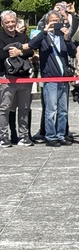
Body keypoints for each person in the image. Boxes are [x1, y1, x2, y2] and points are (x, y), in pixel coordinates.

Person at [29, 10, 77, 147]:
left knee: (63, 110)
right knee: (51, 110)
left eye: (57, 20)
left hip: (63, 78)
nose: (55, 23)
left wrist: (67, 38)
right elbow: (32, 45)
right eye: (52, 20)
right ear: (46, 21)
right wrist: (45, 31)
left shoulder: (63, 36)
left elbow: (73, 53)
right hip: (50, 77)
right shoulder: (43, 36)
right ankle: (50, 136)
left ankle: (61, 134)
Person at [0, 10, 34, 147]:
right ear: (2, 24)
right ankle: (3, 136)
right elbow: (1, 55)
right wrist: (14, 53)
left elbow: (31, 50)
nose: (10, 24)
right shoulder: (0, 38)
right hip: (6, 78)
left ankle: (24, 135)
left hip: (24, 77)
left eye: (12, 21)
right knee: (4, 108)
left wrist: (19, 52)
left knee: (24, 108)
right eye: (7, 22)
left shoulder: (23, 36)